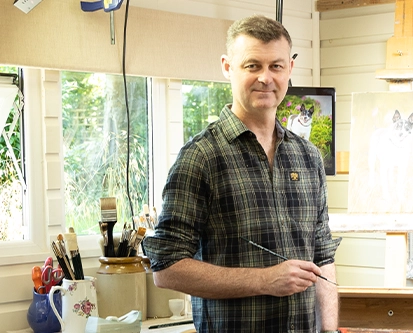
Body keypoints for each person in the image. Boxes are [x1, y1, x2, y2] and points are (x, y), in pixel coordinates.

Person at [142, 15, 341, 332]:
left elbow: (323, 260)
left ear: (289, 68)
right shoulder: (201, 158)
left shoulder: (309, 158)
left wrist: (330, 330)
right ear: (227, 67)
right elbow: (166, 268)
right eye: (252, 65)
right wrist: (265, 279)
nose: (265, 77)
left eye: (275, 66)